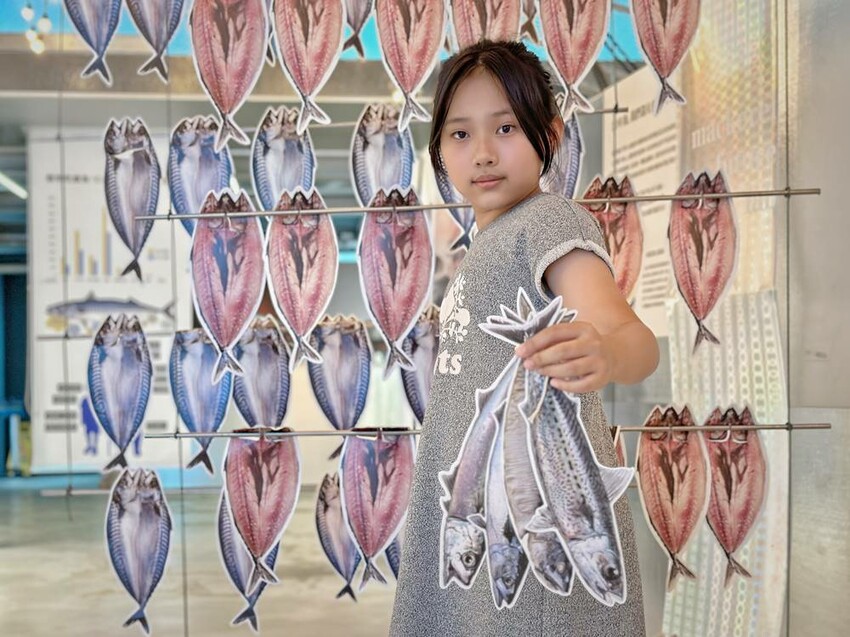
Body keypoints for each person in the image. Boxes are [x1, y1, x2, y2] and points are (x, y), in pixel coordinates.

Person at [389, 40, 659, 636]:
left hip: (537, 523)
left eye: (506, 128)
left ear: (551, 134)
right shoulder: (492, 237)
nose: (483, 153)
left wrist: (607, 350)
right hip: (485, 510)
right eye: (460, 134)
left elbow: (635, 339)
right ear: (439, 148)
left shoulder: (546, 221)